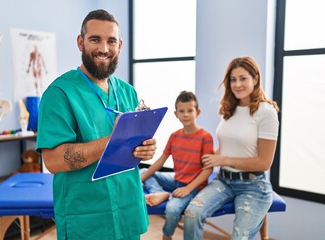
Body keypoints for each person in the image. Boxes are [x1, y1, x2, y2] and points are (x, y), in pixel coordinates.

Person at [36, 9, 157, 240]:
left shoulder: (128, 92)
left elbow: (132, 149)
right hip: (86, 218)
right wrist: (113, 140)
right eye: (95, 39)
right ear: (81, 42)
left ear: (119, 45)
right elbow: (52, 160)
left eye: (111, 41)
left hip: (127, 209)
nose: (103, 48)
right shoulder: (60, 93)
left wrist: (146, 148)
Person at [183, 56, 280, 240]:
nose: (237, 84)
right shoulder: (230, 108)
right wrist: (206, 157)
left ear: (255, 79)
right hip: (224, 181)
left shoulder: (266, 112)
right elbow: (228, 147)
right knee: (191, 214)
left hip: (253, 186)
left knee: (240, 236)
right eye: (233, 79)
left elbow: (264, 162)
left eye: (243, 78)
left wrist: (222, 160)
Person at [140, 91, 214, 240]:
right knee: (143, 171)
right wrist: (140, 180)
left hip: (194, 186)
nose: (186, 114)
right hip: (176, 179)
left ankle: (166, 236)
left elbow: (208, 170)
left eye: (190, 110)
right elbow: (160, 161)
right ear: (176, 114)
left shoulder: (205, 137)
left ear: (197, 112)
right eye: (182, 111)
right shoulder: (174, 136)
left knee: (172, 209)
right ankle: (161, 193)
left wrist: (188, 189)